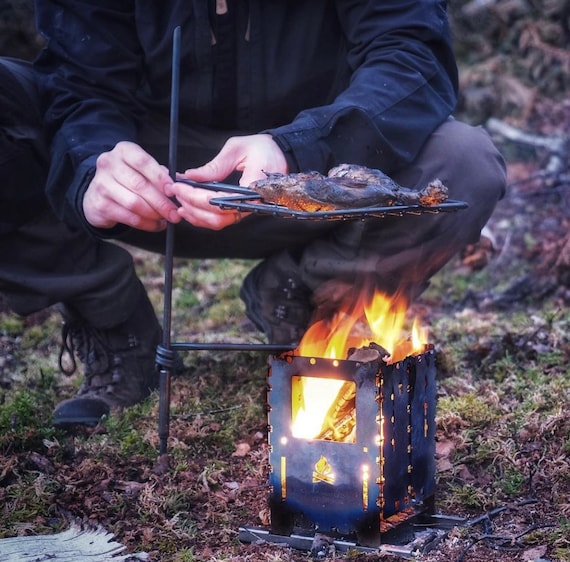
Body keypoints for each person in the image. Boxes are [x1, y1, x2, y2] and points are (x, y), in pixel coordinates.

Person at [0, 0, 506, 427]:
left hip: (315, 176)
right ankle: (112, 326)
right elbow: (77, 80)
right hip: (153, 172)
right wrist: (92, 165)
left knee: (463, 163)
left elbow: (410, 56)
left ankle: (307, 299)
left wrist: (297, 149)